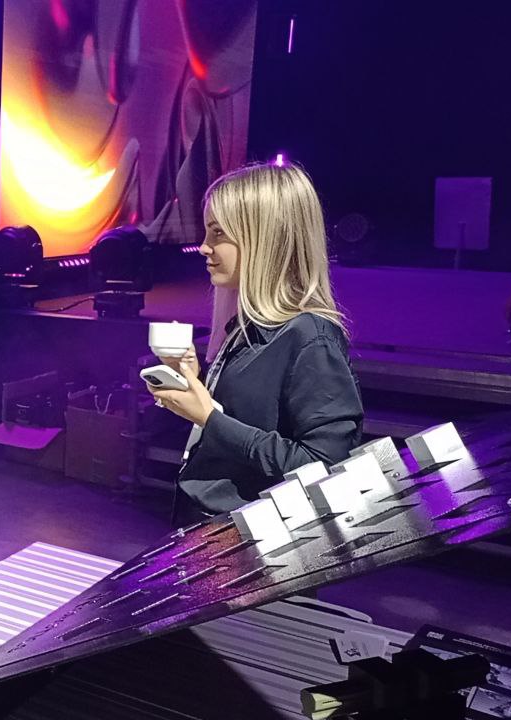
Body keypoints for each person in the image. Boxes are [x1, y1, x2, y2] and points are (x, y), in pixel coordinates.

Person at [151, 162, 363, 522]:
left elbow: (323, 467)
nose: (203, 247)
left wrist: (209, 418)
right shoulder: (248, 326)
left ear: (265, 238)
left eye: (218, 233)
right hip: (211, 527)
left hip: (249, 540)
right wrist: (194, 386)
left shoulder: (310, 337)